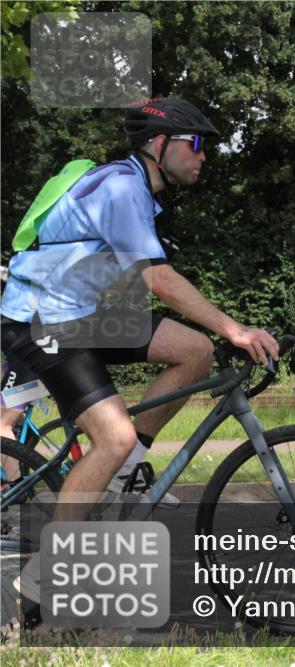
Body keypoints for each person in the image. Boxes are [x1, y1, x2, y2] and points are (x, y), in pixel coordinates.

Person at [0, 96, 279, 601]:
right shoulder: (121, 188)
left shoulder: (134, 189)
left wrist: (217, 335)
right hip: (42, 320)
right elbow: (159, 280)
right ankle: (39, 580)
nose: (203, 155)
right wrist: (236, 330)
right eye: (194, 143)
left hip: (82, 313)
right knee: (114, 436)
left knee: (195, 350)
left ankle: (123, 474)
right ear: (158, 144)